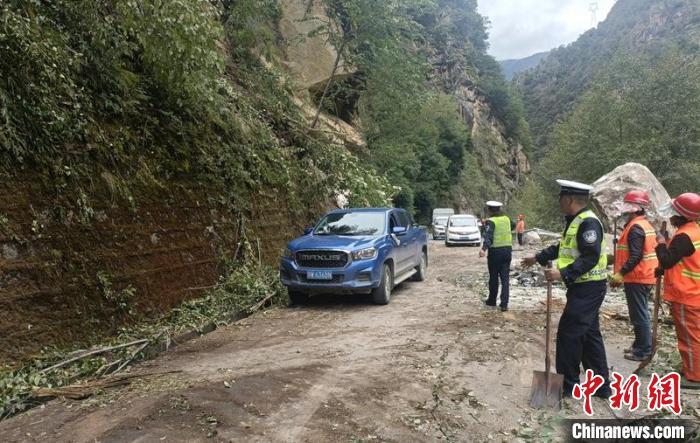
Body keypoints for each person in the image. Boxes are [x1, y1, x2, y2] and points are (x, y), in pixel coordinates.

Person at [522, 180, 611, 398]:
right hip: (584, 287)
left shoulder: (588, 223)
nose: (559, 201)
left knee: (569, 335)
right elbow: (564, 247)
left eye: (561, 197)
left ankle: (567, 385)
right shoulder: (575, 221)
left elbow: (590, 256)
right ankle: (601, 385)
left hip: (588, 287)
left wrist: (563, 273)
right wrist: (538, 257)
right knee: (589, 335)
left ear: (569, 199)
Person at [655, 192, 700, 389]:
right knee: (694, 335)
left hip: (686, 294)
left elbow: (668, 259)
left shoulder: (684, 237)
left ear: (680, 215)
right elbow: (680, 261)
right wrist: (662, 270)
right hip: (693, 292)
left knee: (689, 338)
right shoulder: (693, 231)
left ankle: (694, 376)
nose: (670, 218)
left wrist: (660, 244)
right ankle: (692, 367)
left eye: (673, 214)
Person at [609, 190, 658, 361]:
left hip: (638, 277)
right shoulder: (643, 224)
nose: (624, 212)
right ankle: (640, 345)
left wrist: (620, 273)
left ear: (634, 209)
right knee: (639, 312)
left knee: (639, 315)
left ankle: (643, 350)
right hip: (644, 275)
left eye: (627, 209)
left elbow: (635, 256)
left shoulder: (636, 228)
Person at [479, 201, 514, 311]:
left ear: (490, 210)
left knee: (494, 277)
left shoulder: (492, 221)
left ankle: (492, 300)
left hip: (495, 252)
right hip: (507, 251)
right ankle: (504, 304)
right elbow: (513, 225)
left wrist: (483, 249)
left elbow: (488, 237)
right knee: (505, 278)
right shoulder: (507, 219)